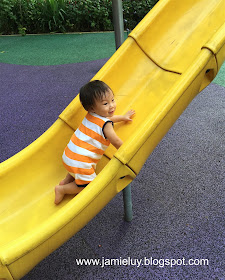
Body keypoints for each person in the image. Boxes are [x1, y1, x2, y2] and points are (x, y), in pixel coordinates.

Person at [54, 80, 135, 204]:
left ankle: (66, 180)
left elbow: (108, 118)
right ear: (92, 108)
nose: (112, 106)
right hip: (81, 163)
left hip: (68, 156)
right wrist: (130, 152)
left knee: (75, 166)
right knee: (89, 186)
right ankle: (63, 189)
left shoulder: (91, 115)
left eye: (112, 100)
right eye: (105, 103)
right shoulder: (106, 126)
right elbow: (116, 141)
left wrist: (122, 117)